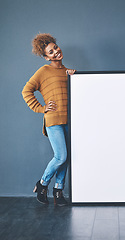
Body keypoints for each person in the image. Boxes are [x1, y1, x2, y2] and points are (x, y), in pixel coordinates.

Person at [22, 33, 76, 206]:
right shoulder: (43, 71)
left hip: (69, 119)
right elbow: (26, 91)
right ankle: (43, 183)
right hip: (53, 120)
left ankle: (58, 191)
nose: (56, 52)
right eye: (51, 52)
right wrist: (41, 108)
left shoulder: (67, 70)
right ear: (46, 57)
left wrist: (73, 78)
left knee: (66, 158)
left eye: (56, 48)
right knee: (61, 156)